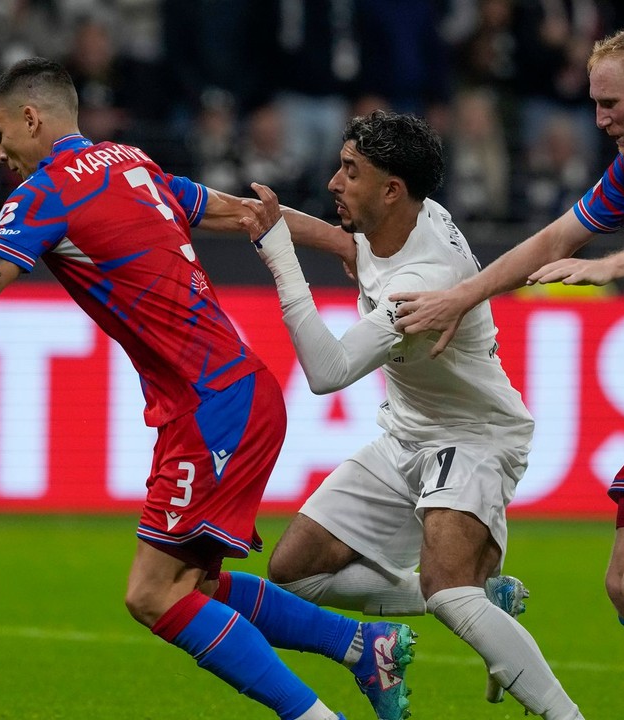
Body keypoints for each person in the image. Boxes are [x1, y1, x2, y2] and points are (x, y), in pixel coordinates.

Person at [0, 57, 419, 720]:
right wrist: (346, 247)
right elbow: (246, 214)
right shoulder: (130, 162)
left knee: (155, 594)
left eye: (2, 135)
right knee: (195, 582)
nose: (1, 154)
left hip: (211, 406)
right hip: (233, 392)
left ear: (33, 118)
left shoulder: (45, 194)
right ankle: (362, 645)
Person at [391, 23, 624, 719]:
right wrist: (460, 297)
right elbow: (556, 235)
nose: (599, 119)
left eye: (610, 104)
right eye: (594, 103)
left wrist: (611, 265)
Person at [235, 110, 583, 719]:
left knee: (449, 589)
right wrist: (255, 215)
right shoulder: (409, 218)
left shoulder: (423, 281)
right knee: (294, 572)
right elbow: (353, 244)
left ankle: (564, 714)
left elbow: (328, 373)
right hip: (408, 432)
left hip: (474, 436)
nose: (334, 184)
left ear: (391, 189)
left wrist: (278, 255)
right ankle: (483, 598)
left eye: (351, 172)